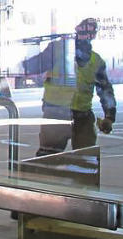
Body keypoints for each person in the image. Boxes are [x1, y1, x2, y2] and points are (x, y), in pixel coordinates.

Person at [23, 18, 117, 156]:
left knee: (86, 160)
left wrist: (109, 116)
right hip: (57, 113)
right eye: (84, 32)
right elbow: (33, 66)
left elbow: (105, 90)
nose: (86, 36)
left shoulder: (95, 61)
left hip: (82, 115)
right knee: (48, 158)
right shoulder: (58, 49)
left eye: (89, 33)